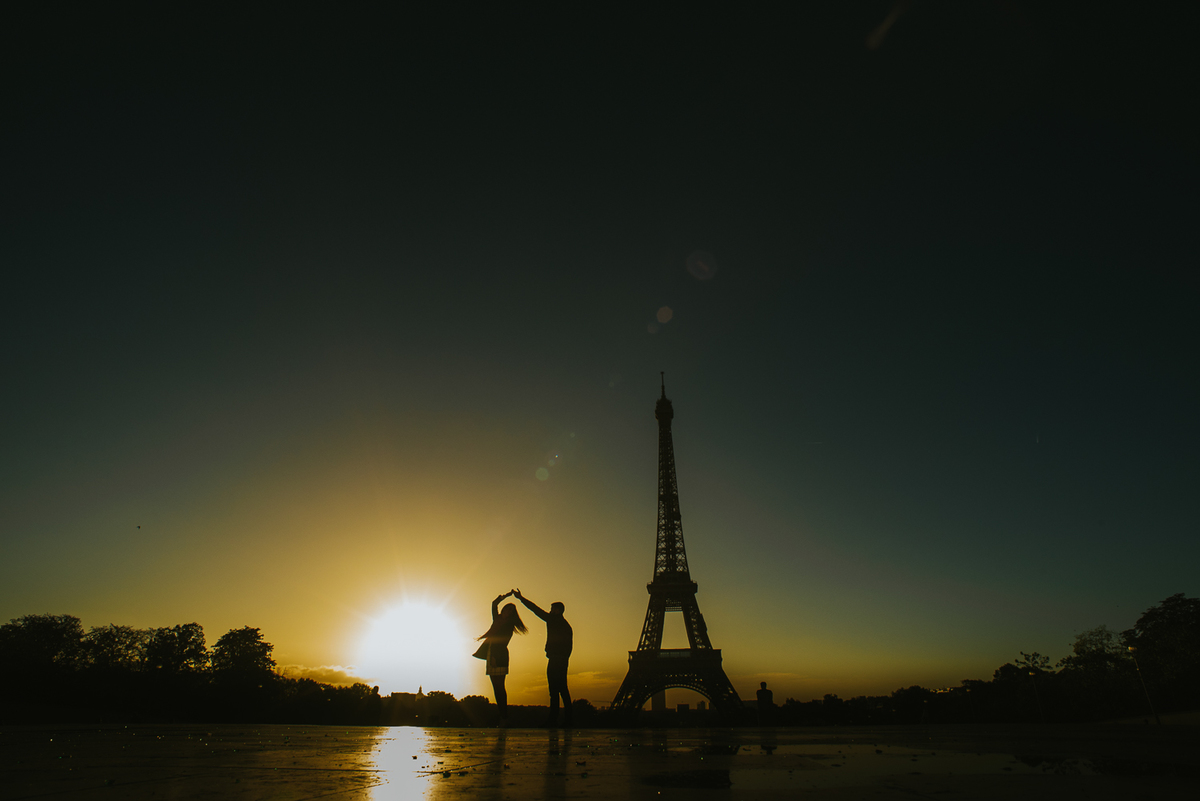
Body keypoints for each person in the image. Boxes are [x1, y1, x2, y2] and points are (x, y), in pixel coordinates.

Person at [513, 588, 573, 727]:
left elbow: (535, 609)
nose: (550, 611)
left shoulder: (553, 620)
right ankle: (567, 718)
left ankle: (553, 719)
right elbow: (569, 645)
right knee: (562, 689)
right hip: (562, 659)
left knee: (554, 690)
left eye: (552, 609)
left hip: (556, 659)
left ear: (557, 610)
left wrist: (521, 598)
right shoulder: (566, 625)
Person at [473, 591, 527, 726]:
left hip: (499, 655)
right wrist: (505, 596)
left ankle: (504, 717)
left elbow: (502, 642)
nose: (509, 611)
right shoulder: (497, 619)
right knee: (496, 688)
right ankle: (502, 716)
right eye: (508, 608)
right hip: (491, 652)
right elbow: (493, 604)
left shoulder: (508, 625)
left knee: (500, 687)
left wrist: (494, 658)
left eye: (511, 610)